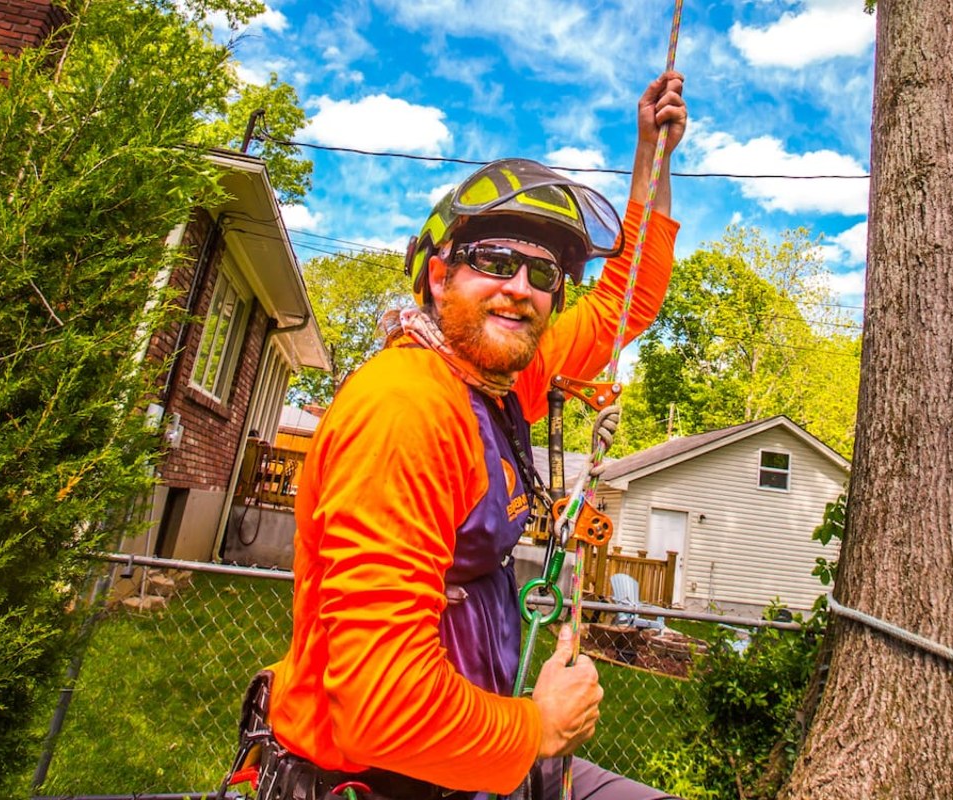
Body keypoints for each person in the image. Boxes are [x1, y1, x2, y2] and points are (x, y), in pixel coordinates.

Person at [236, 72, 687, 800]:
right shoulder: (407, 409)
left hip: (471, 766)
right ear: (440, 277)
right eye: (496, 261)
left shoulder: (502, 377)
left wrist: (652, 158)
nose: (521, 286)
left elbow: (623, 302)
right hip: (381, 781)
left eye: (542, 273)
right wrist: (536, 728)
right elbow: (379, 702)